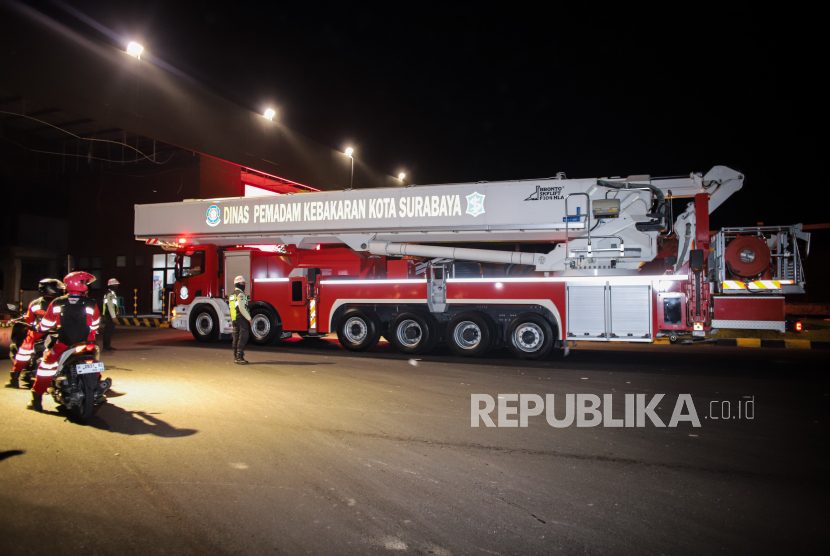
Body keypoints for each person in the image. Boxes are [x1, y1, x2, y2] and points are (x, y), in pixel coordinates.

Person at [27, 271, 102, 411]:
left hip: (65, 342)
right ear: (79, 284)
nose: (87, 285)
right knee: (94, 362)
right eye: (85, 283)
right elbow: (95, 323)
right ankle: (97, 386)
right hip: (87, 341)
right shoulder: (91, 302)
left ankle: (36, 398)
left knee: (46, 366)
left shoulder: (58, 302)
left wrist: (39, 327)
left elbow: (47, 324)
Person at [5, 278, 65, 389]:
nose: (60, 290)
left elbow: (28, 319)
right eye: (58, 288)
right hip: (60, 332)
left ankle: (14, 379)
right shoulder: (62, 302)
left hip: (40, 332)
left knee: (23, 352)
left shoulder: (36, 303)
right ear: (51, 289)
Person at [230, 275, 252, 364]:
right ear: (238, 283)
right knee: (243, 336)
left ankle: (236, 356)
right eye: (242, 283)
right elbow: (242, 308)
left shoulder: (232, 294)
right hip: (241, 318)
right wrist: (249, 319)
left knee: (236, 337)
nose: (244, 285)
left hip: (235, 318)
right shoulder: (240, 294)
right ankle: (239, 356)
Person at [102, 278, 120, 350]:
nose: (117, 286)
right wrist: (113, 316)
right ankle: (106, 346)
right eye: (115, 285)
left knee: (109, 331)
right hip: (109, 315)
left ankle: (107, 346)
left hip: (109, 315)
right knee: (108, 331)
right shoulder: (109, 294)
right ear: (111, 285)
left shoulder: (112, 293)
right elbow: (110, 306)